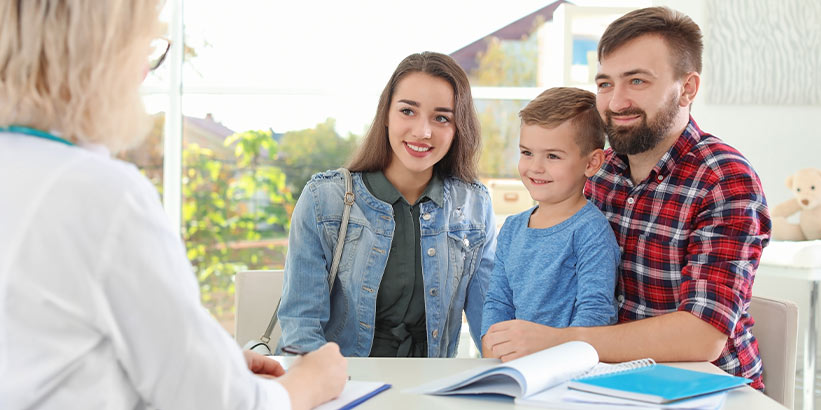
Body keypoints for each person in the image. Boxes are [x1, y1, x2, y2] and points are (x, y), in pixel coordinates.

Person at [0, 1, 346, 409]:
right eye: (146, 47)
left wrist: (206, 360)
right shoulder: (101, 194)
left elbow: (46, 347)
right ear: (101, 52)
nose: (145, 73)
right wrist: (310, 382)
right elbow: (220, 405)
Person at [481, 7, 771, 389]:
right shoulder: (596, 171)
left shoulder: (724, 179)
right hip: (607, 380)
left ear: (687, 88)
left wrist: (558, 342)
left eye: (637, 81)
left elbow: (703, 336)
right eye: (604, 84)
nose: (616, 103)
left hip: (706, 388)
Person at [277, 51, 496, 358]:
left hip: (433, 388)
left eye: (442, 117)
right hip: (340, 382)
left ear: (458, 128)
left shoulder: (474, 205)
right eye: (408, 111)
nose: (422, 132)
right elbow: (301, 328)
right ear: (386, 115)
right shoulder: (324, 199)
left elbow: (489, 320)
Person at [480, 87, 619, 360]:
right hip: (513, 365)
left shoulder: (591, 231)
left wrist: (555, 358)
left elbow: (596, 313)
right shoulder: (512, 228)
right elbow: (497, 300)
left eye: (553, 156)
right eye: (527, 152)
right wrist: (491, 344)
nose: (535, 167)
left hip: (567, 369)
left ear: (591, 163)